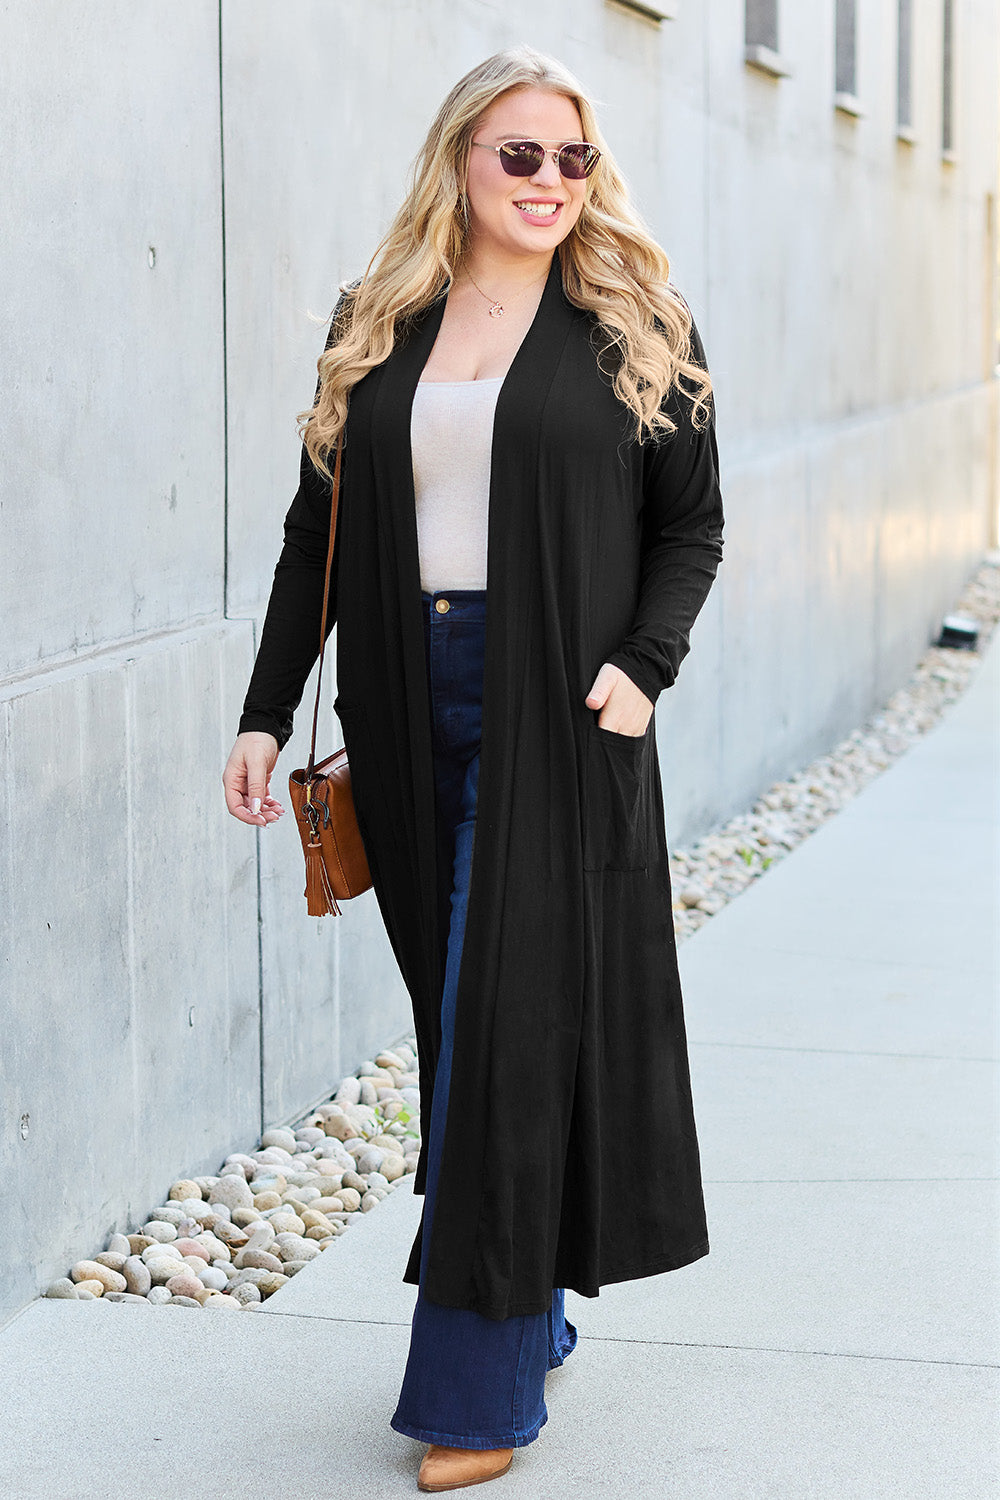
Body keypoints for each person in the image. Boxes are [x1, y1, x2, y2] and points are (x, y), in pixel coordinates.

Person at [222, 44, 724, 1494]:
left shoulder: (639, 324)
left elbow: (691, 528)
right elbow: (311, 540)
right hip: (402, 695)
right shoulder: (380, 323)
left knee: (508, 1022)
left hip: (563, 708)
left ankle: (478, 1388)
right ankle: (535, 1284)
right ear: (460, 161)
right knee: (470, 1026)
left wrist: (644, 668)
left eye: (573, 157)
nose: (552, 182)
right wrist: (265, 712)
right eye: (521, 155)